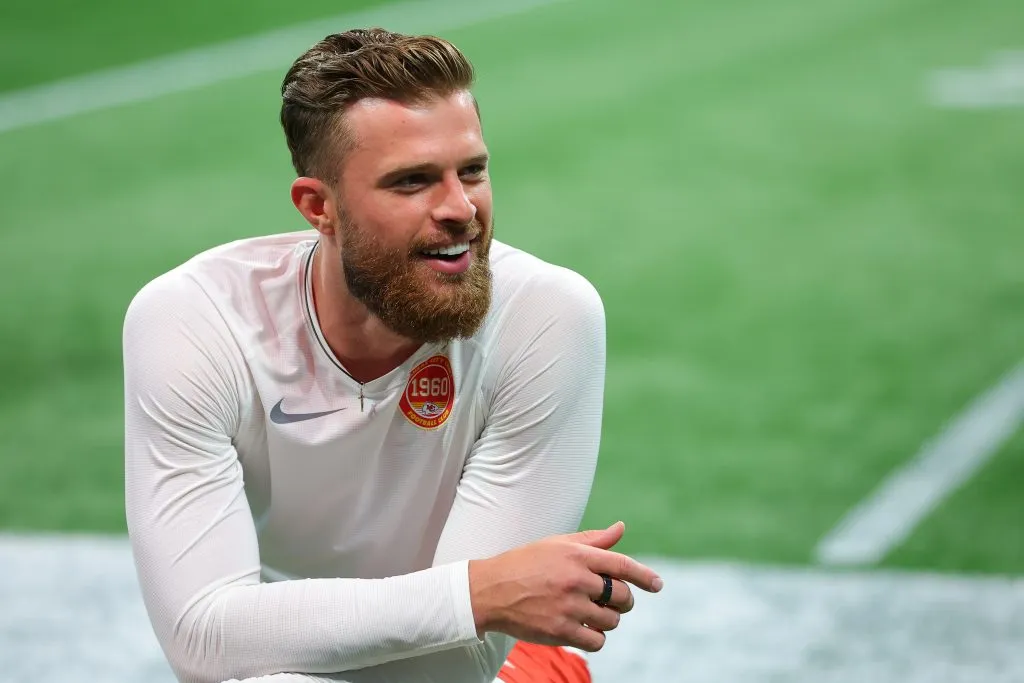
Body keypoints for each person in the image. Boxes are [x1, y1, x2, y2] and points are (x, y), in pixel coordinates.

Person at [122, 28, 663, 683]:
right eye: (412, 182)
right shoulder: (198, 321)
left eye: (473, 170)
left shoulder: (545, 314)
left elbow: (462, 662)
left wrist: (260, 637)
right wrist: (481, 592)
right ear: (319, 207)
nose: (461, 209)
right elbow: (201, 641)